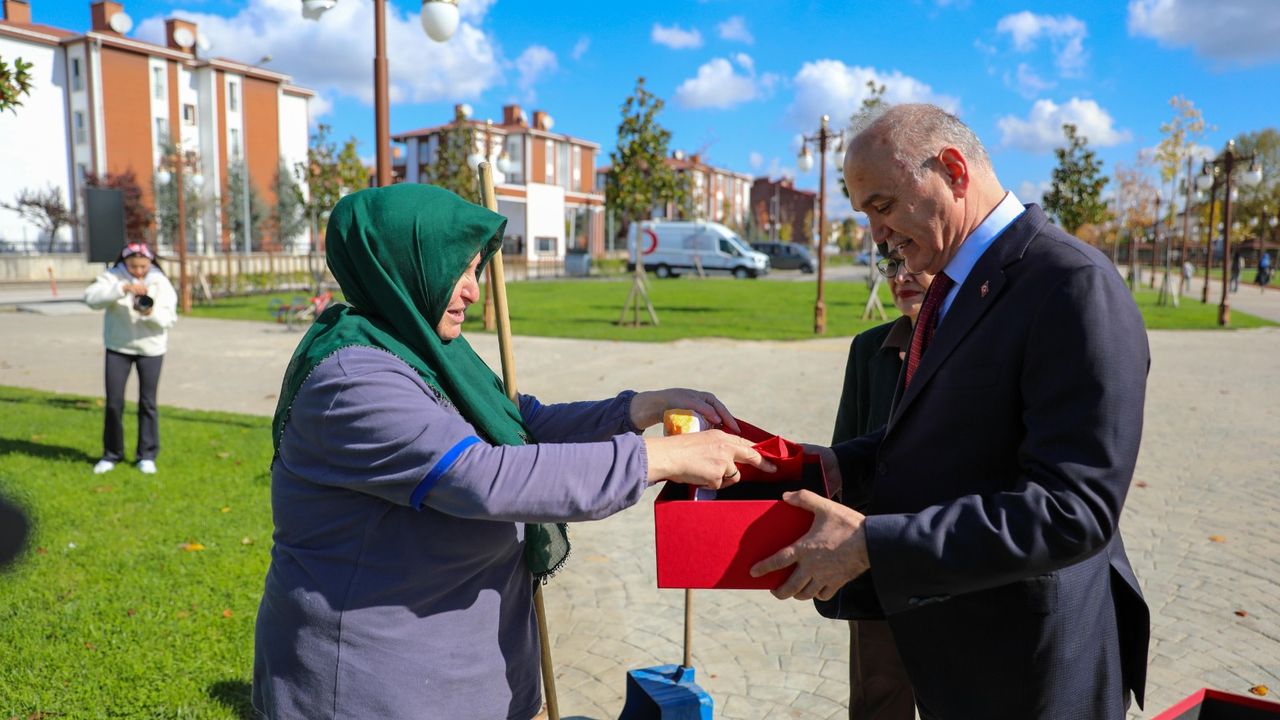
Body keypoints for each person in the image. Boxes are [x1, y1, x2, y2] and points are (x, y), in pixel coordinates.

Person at [251, 184, 772, 720]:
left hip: (465, 671)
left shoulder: (425, 350)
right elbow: (481, 476)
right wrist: (658, 460)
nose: (473, 291)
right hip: (374, 684)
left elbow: (523, 426)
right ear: (405, 266)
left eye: (477, 269)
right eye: (458, 269)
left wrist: (642, 407)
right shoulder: (351, 379)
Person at [752, 104, 1150, 719]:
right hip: (962, 657)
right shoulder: (958, 282)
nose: (876, 235)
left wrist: (872, 546)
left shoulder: (1072, 285)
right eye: (866, 215)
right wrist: (824, 466)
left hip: (1032, 668)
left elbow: (1074, 510)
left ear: (952, 169)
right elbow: (949, 433)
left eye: (882, 206)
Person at [830, 247, 934, 720]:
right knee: (878, 699)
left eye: (911, 258)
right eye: (890, 264)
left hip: (952, 559)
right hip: (876, 567)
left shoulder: (973, 348)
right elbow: (843, 456)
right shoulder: (867, 349)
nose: (901, 274)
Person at [83, 242, 178, 475]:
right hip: (118, 348)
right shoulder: (113, 277)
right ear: (124, 262)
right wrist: (120, 289)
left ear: (150, 263)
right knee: (114, 403)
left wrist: (149, 313)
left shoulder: (160, 281)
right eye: (133, 266)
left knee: (148, 403)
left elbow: (169, 319)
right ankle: (111, 454)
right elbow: (91, 299)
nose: (138, 271)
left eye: (142, 266)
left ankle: (146, 455)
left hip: (151, 350)